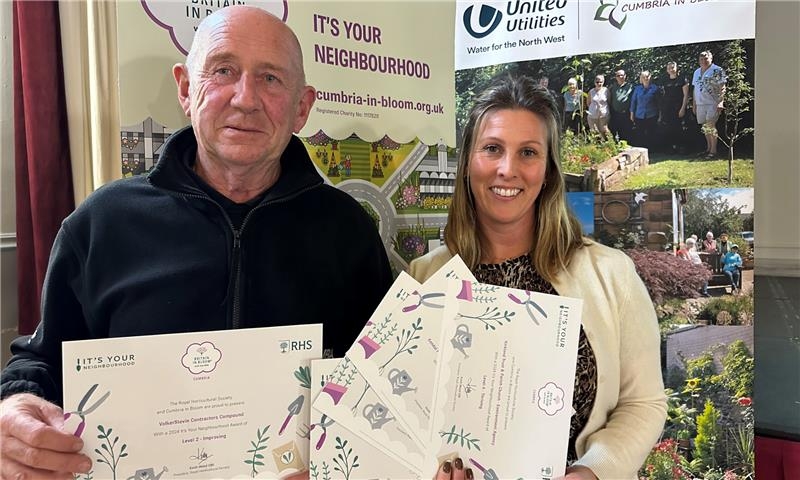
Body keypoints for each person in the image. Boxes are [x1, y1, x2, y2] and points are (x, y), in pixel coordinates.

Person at [0, 7, 393, 479]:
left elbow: (380, 380)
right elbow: (44, 359)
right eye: (224, 70)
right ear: (186, 88)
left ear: (302, 107)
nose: (245, 98)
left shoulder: (347, 230)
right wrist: (16, 405)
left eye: (271, 79)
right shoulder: (102, 223)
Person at [412, 75, 666, 480]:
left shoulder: (610, 274)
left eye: (528, 152)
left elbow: (645, 403)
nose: (507, 169)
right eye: (492, 148)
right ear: (468, 163)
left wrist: (592, 472)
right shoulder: (425, 277)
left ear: (548, 170)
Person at [691, 51, 726, 159]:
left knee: (711, 126)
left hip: (712, 103)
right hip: (700, 103)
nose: (703, 61)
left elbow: (723, 87)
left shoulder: (717, 70)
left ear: (711, 58)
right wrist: (694, 104)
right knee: (705, 127)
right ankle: (708, 149)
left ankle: (713, 151)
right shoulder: (697, 72)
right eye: (701, 59)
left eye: (706, 58)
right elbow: (695, 89)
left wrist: (721, 102)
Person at [660, 61, 689, 153]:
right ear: (667, 70)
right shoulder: (665, 80)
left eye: (673, 67)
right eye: (669, 68)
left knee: (680, 127)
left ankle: (682, 147)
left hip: (679, 107)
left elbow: (686, 95)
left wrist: (683, 108)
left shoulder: (682, 79)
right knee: (669, 128)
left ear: (676, 68)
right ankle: (672, 147)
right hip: (668, 108)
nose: (671, 70)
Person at [629, 70, 661, 151]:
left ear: (650, 77)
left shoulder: (655, 88)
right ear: (641, 78)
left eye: (647, 76)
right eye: (643, 77)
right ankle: (642, 150)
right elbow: (633, 101)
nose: (645, 78)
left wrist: (660, 115)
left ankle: (652, 150)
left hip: (652, 114)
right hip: (639, 114)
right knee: (640, 133)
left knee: (651, 133)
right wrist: (632, 113)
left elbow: (659, 103)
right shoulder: (637, 89)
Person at [608, 69, 634, 142]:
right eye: (618, 75)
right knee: (615, 131)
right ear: (616, 77)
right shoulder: (612, 87)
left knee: (626, 132)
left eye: (622, 75)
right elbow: (609, 99)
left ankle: (626, 148)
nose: (620, 77)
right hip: (615, 114)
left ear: (625, 76)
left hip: (627, 114)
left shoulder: (630, 86)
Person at [586, 74, 610, 140]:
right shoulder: (591, 92)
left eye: (601, 82)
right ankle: (596, 147)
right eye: (597, 82)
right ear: (594, 82)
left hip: (604, 116)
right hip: (592, 116)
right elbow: (588, 103)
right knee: (594, 132)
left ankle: (607, 146)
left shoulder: (606, 91)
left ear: (603, 82)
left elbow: (609, 101)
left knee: (605, 132)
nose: (599, 83)